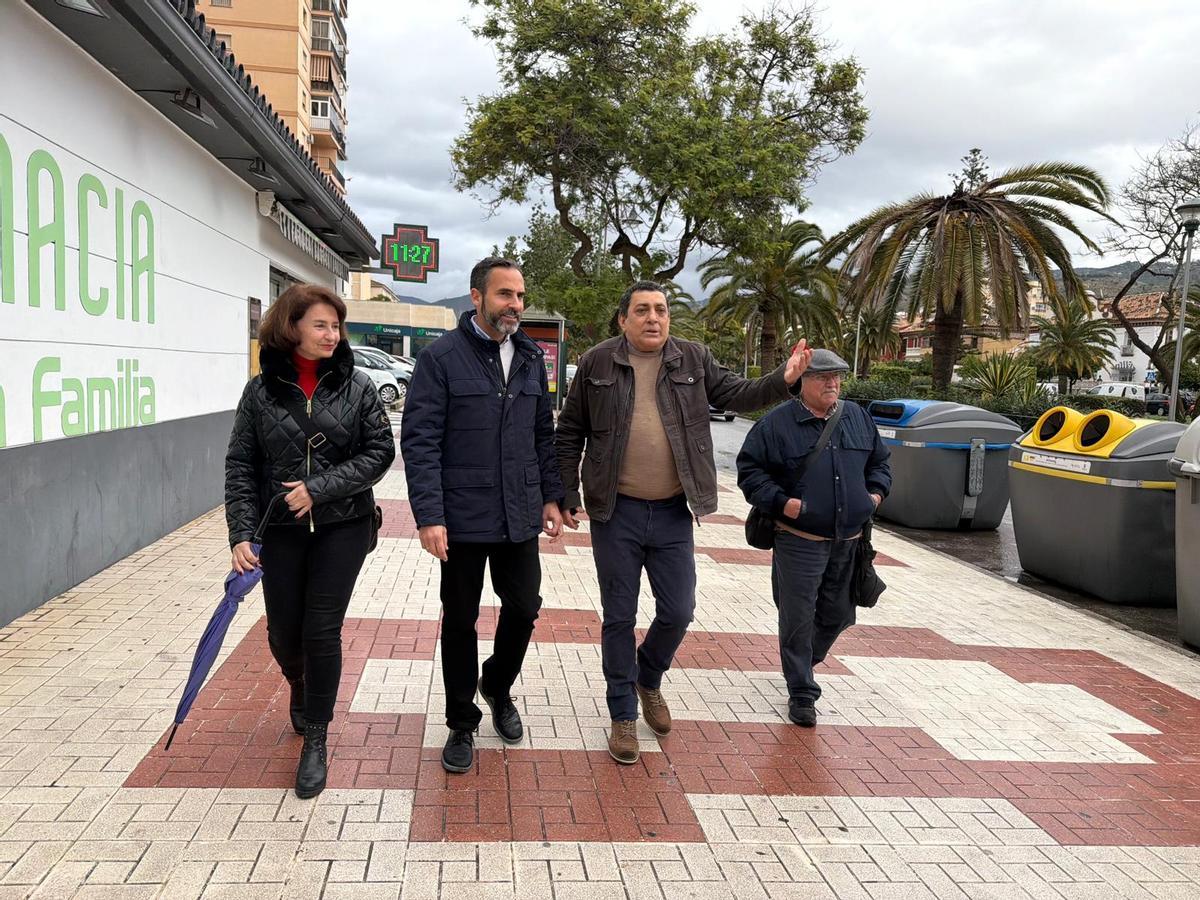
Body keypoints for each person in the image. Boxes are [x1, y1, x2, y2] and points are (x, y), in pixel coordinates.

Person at [555, 280, 812, 764]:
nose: (653, 318)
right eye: (642, 310)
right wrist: (566, 493)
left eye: (661, 310)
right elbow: (570, 431)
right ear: (623, 320)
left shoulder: (692, 358)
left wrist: (786, 377)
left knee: (678, 611)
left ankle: (647, 677)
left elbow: (739, 394)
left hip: (674, 510)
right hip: (617, 511)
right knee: (619, 616)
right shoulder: (596, 363)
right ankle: (622, 715)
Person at [225, 284, 396, 799]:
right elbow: (240, 464)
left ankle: (316, 738)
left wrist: (317, 490)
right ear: (291, 326)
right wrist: (240, 533)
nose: (331, 334)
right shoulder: (260, 392)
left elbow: (380, 452)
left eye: (336, 325)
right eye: (320, 324)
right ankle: (298, 683)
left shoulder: (358, 386)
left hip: (343, 526)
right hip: (280, 533)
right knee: (283, 634)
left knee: (322, 630)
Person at [401, 257, 564, 774]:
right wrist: (430, 516)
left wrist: (551, 497)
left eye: (519, 295)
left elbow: (544, 435)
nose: (514, 305)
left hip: (519, 513)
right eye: (503, 295)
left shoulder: (532, 358)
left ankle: (496, 684)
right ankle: (460, 723)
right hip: (463, 516)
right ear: (476, 297)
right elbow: (420, 441)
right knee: (461, 621)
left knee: (524, 607)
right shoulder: (442, 358)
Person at [735, 350, 891, 727]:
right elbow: (749, 471)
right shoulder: (776, 424)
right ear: (802, 381)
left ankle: (802, 661)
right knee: (798, 617)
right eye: (823, 377)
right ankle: (802, 692)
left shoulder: (856, 417)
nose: (832, 384)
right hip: (798, 539)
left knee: (839, 614)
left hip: (850, 540)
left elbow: (880, 463)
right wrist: (782, 503)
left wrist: (875, 495)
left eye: (837, 377)